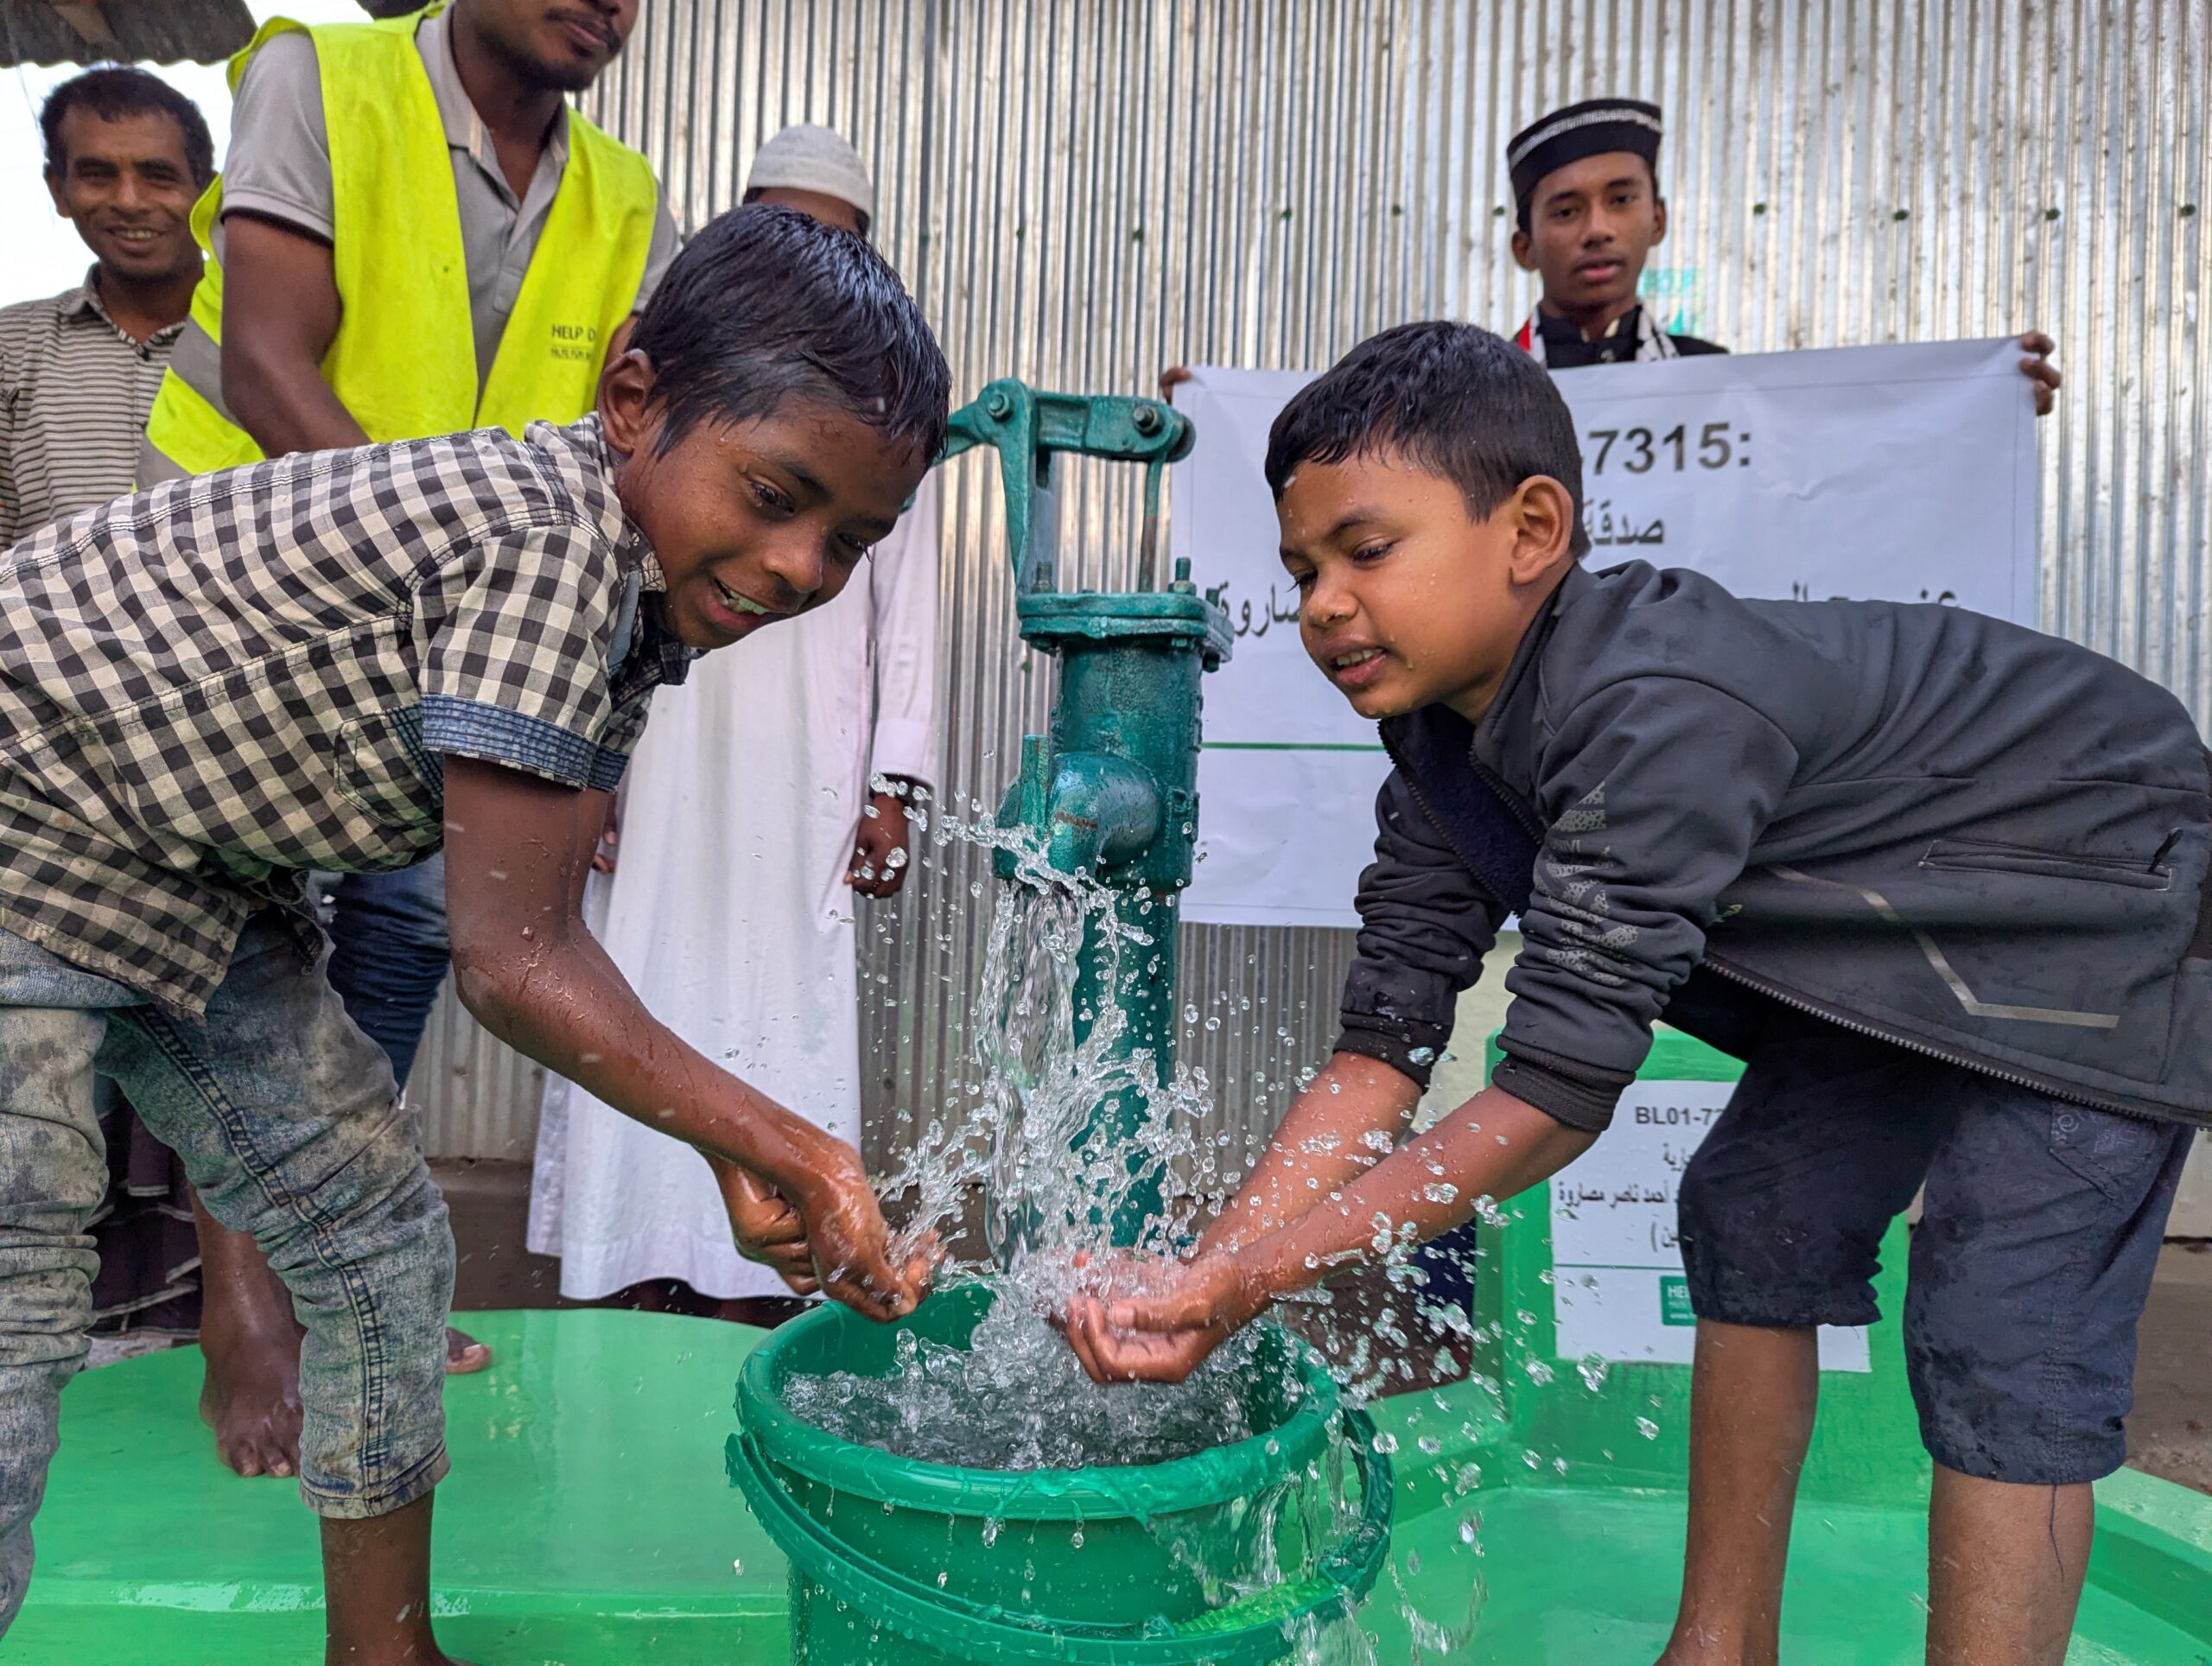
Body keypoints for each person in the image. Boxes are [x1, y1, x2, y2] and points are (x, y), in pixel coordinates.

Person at [1061, 322, 2207, 1666]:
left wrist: (1253, 1280)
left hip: (2097, 895)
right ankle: (1717, 1648)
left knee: (2000, 1322)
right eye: (1303, 569)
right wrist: (1203, 1277)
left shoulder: (1652, 703)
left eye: (1366, 551)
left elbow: (1551, 1101)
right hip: (1894, 953)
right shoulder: (1440, 745)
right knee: (1754, 1211)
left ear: (1532, 531)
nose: (1321, 602)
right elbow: (1379, 1054)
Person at [0, 202, 944, 1662]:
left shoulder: (633, 589)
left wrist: (725, 1144)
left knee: (376, 1244)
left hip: (185, 864)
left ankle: (385, 1652)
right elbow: (514, 965)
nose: (802, 566)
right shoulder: (554, 537)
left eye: (851, 541)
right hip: (28, 805)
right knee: (16, 1304)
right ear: (632, 397)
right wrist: (800, 1149)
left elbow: (539, 936)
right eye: (775, 494)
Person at [140, 0, 683, 1472]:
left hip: (437, 627)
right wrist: (444, 585)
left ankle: (329, 1255)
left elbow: (614, 447)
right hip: (244, 578)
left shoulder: (622, 194)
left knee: (404, 934)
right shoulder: (325, 78)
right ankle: (242, 1308)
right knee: (244, 935)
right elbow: (266, 366)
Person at [528, 124, 939, 1326]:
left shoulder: (890, 407)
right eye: (782, 222)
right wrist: (584, 762)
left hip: (806, 753)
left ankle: (770, 1272)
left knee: (780, 992)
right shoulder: (685, 377)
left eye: (833, 232)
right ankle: (629, 1259)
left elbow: (908, 611)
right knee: (630, 957)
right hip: (660, 735)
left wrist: (895, 782)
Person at [1, 69, 216, 1343]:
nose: (129, 200)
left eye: (158, 174)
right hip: (54, 759)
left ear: (206, 188)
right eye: (98, 172)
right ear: (57, 188)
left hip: (226, 751)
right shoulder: (18, 350)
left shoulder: (255, 344)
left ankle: (220, 1305)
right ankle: (72, 1309)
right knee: (57, 1034)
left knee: (223, 1027)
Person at [1502, 95, 2063, 407]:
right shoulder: (1478, 394)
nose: (1598, 229)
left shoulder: (1716, 381)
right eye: (1566, 211)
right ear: (1524, 247)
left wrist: (1987, 405)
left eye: (1621, 200)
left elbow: (1849, 460)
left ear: (1658, 220)